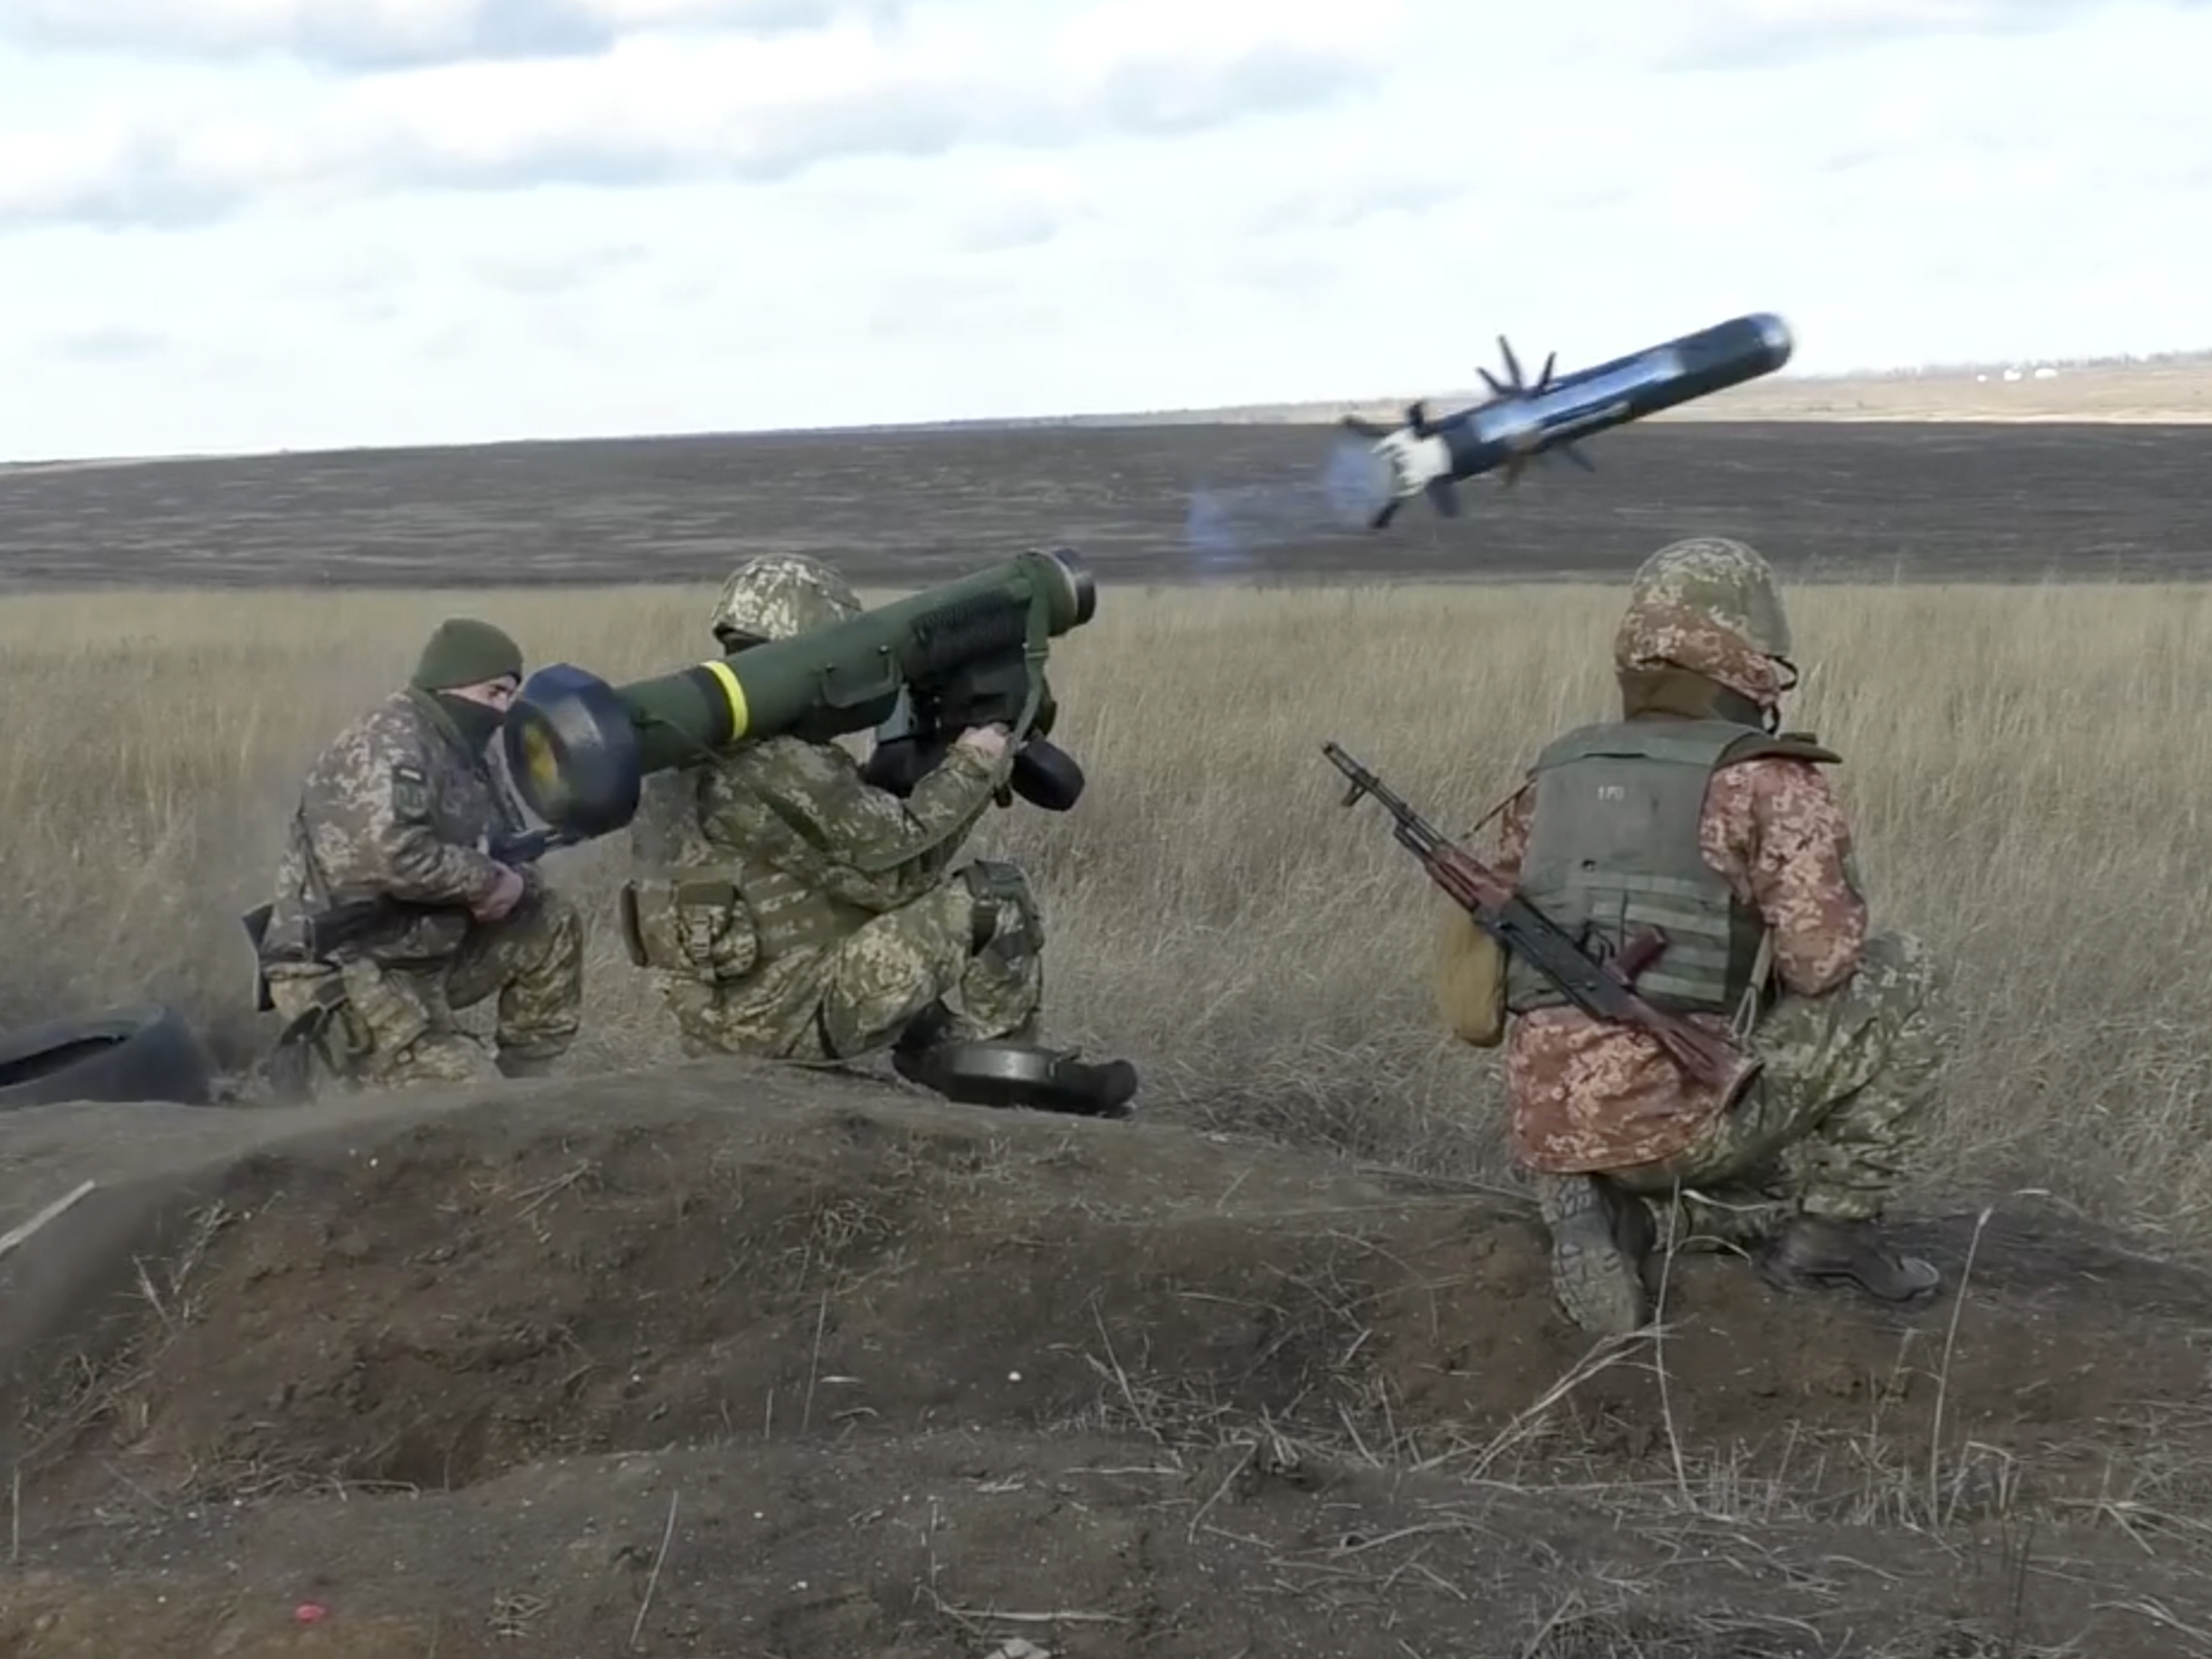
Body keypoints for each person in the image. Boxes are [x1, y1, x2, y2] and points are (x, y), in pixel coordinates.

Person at [1445, 536, 1945, 1337]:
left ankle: (1602, 1197)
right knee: (1903, 969)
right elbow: (1823, 965)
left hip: (1547, 1121)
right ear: (1738, 648)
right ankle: (1831, 1228)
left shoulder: (1552, 775)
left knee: (1726, 1156)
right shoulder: (1768, 779)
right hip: (1676, 1125)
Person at [621, 552, 1137, 1117]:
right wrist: (974, 760)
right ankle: (1012, 1087)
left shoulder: (688, 745)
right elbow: (897, 872)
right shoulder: (772, 761)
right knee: (994, 895)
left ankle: (950, 1057)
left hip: (718, 1018)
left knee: (881, 938)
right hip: (778, 1022)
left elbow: (825, 849)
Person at [255, 617, 585, 1091]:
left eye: (511, 695)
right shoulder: (391, 742)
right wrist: (488, 881)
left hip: (423, 952)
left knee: (551, 919)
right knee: (469, 1095)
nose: (504, 710)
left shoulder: (472, 752)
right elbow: (393, 855)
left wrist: (517, 882)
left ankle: (528, 1086)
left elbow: (507, 846)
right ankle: (355, 1075)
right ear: (452, 683)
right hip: (347, 968)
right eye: (494, 693)